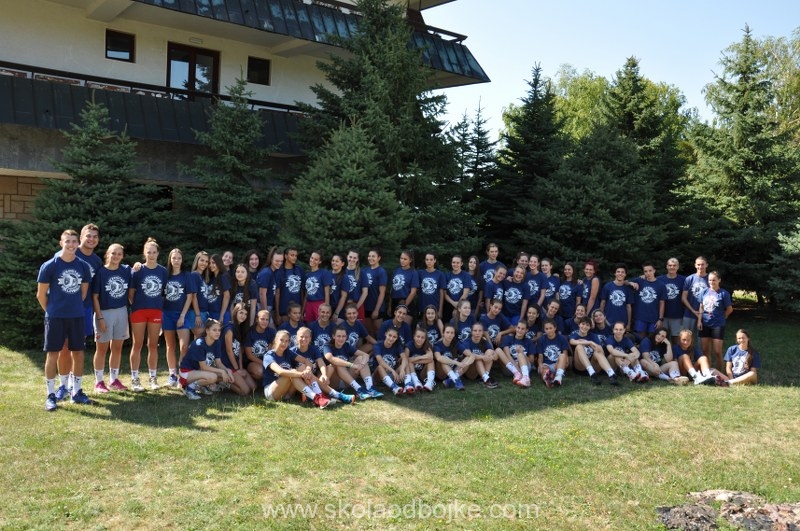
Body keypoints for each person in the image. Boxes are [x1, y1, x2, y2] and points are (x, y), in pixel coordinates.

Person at [38, 229, 94, 410]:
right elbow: (40, 295)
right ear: (61, 243)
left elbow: (83, 293)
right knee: (53, 354)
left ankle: (76, 392)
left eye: (74, 241)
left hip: (76, 316)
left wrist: (72, 307)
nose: (71, 244)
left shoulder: (83, 266)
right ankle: (50, 395)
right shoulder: (50, 265)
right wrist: (52, 311)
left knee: (78, 353)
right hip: (55, 317)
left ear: (78, 243)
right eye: (67, 241)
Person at [55, 223, 102, 401]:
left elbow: (97, 288)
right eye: (88, 236)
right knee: (63, 347)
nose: (91, 239)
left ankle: (76, 389)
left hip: (84, 309)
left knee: (77, 348)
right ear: (81, 238)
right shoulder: (66, 254)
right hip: (64, 309)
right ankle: (63, 386)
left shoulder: (96, 261)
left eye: (95, 237)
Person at [128, 238, 168, 391]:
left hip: (156, 311)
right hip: (139, 311)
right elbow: (131, 293)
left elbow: (164, 292)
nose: (151, 255)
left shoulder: (163, 271)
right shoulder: (137, 270)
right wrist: (138, 305)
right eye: (148, 252)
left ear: (158, 253)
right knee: (137, 344)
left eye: (154, 252)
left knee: (153, 345)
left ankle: (153, 378)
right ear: (144, 253)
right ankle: (135, 379)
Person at [91, 243, 131, 393]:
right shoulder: (101, 272)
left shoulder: (126, 270)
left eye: (119, 254)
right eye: (113, 253)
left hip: (121, 311)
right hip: (104, 313)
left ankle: (114, 379)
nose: (116, 256)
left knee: (117, 348)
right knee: (101, 348)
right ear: (108, 254)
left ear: (122, 256)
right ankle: (99, 382)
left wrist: (138, 265)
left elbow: (139, 269)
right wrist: (100, 318)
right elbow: (95, 297)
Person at [261, 330, 331, 408]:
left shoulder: (288, 352)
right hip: (272, 392)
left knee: (301, 368)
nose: (284, 343)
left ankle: (318, 396)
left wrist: (307, 370)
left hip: (287, 393)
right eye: (281, 340)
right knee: (292, 372)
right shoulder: (269, 356)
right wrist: (301, 374)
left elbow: (306, 361)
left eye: (286, 341)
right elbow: (280, 372)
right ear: (276, 340)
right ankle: (316, 397)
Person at [290, 327, 355, 404]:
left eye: (306, 337)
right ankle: (334, 395)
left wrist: (324, 374)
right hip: (300, 383)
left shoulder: (314, 349)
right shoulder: (292, 351)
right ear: (296, 338)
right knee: (302, 367)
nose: (304, 339)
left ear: (310, 338)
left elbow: (321, 363)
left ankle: (315, 396)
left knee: (330, 367)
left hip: (314, 380)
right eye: (301, 337)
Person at [162, 248, 196, 388]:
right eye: (174, 258)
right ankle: (172, 375)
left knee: (184, 347)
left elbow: (190, 296)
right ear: (170, 260)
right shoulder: (165, 275)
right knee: (170, 346)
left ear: (182, 260)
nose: (176, 261)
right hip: (167, 314)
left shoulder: (186, 275)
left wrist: (182, 315)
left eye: (179, 258)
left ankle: (182, 375)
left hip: (183, 314)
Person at [178, 318, 234, 400]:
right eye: (214, 330)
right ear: (207, 331)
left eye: (219, 330)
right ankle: (189, 388)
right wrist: (222, 371)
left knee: (226, 373)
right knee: (213, 377)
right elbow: (204, 367)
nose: (217, 332)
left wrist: (227, 371)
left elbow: (218, 363)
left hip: (199, 371)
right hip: (187, 372)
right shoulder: (200, 343)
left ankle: (201, 386)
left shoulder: (217, 342)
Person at [323, 326, 382, 399]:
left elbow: (365, 355)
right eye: (338, 336)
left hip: (347, 380)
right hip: (334, 381)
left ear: (346, 337)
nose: (341, 339)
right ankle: (359, 389)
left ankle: (370, 387)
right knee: (338, 363)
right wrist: (352, 365)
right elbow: (330, 358)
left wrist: (361, 365)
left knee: (361, 358)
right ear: (333, 336)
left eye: (343, 336)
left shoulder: (347, 346)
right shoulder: (327, 346)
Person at [698, 271, 733, 371]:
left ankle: (719, 373)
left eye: (714, 280)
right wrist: (699, 321)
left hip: (718, 325)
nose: (711, 282)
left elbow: (729, 309)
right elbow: (701, 307)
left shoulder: (724, 293)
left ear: (719, 280)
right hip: (705, 323)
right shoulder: (704, 292)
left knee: (717, 351)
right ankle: (708, 371)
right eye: (710, 280)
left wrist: (723, 317)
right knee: (705, 350)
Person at [221, 303, 258, 395]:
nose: (243, 316)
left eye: (245, 314)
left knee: (254, 388)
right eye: (241, 313)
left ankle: (233, 378)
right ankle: (223, 382)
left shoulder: (240, 328)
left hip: (236, 365)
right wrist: (237, 369)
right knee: (245, 391)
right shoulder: (229, 329)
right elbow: (229, 351)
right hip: (227, 365)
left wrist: (241, 368)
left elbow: (239, 351)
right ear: (235, 313)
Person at [569, 317, 619, 385]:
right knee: (579, 346)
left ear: (590, 327)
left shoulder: (593, 336)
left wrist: (590, 343)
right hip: (580, 367)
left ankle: (611, 374)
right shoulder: (575, 334)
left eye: (587, 325)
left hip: (594, 365)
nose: (584, 327)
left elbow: (601, 351)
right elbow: (572, 342)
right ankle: (591, 373)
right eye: (583, 324)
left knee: (597, 352)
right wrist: (589, 342)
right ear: (579, 325)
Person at [630, 261, 666, 338]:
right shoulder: (639, 281)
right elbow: (625, 282)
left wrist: (660, 319)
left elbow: (662, 303)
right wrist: (631, 283)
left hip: (654, 318)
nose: (648, 273)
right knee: (640, 339)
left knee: (652, 339)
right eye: (645, 271)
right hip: (640, 317)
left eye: (650, 270)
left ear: (654, 270)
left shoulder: (661, 285)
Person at [434, 323, 473, 390]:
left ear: (454, 335)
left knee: (467, 358)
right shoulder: (437, 345)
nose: (450, 335)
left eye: (452, 333)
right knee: (443, 360)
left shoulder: (456, 343)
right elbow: (439, 358)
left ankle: (451, 380)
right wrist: (456, 362)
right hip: (441, 374)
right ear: (443, 333)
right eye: (447, 332)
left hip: (454, 370)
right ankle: (456, 380)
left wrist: (465, 364)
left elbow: (471, 355)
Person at [460, 322, 499, 389]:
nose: (477, 333)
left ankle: (485, 377)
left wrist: (491, 357)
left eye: (480, 331)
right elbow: (470, 355)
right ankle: (486, 379)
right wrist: (483, 357)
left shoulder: (484, 342)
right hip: (471, 372)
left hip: (481, 370)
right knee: (478, 359)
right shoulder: (466, 342)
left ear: (482, 332)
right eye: (475, 331)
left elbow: (496, 356)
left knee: (489, 351)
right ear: (471, 332)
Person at [374, 327, 410, 395]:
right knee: (380, 367)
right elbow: (380, 361)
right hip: (378, 376)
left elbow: (404, 358)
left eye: (394, 337)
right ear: (385, 334)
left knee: (406, 364)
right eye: (389, 335)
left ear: (397, 338)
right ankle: (394, 388)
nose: (391, 338)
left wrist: (402, 369)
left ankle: (408, 385)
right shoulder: (378, 345)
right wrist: (392, 371)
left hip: (391, 375)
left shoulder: (397, 345)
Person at [658, 257, 686, 343]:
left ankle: (675, 352)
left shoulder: (684, 280)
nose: (672, 267)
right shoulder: (659, 279)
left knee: (676, 340)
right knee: (661, 339)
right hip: (663, 315)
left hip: (677, 315)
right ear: (667, 266)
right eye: (670, 265)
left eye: (674, 265)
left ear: (678, 267)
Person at [274, 246, 304, 326]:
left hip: (298, 311)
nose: (295, 257)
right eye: (292, 255)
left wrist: (303, 310)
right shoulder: (279, 271)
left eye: (296, 255)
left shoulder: (299, 270)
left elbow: (302, 291)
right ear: (286, 256)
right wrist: (277, 313)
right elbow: (277, 293)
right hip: (284, 310)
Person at [535, 319, 570, 388]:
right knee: (544, 370)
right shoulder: (541, 339)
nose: (549, 330)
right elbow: (540, 356)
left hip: (557, 364)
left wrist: (565, 363)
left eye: (550, 328)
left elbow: (565, 354)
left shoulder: (562, 338)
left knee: (563, 355)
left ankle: (558, 377)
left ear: (555, 328)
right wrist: (540, 364)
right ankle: (548, 379)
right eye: (546, 329)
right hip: (546, 364)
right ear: (544, 330)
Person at [361, 248, 387, 337]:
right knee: (369, 332)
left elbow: (382, 293)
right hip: (366, 306)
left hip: (377, 307)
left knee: (378, 331)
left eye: (373, 256)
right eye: (369, 256)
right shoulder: (365, 270)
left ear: (379, 258)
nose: (370, 258)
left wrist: (376, 310)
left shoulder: (381, 271)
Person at [499, 320, 534, 387]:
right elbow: (507, 355)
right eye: (518, 328)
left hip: (524, 368)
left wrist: (522, 353)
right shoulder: (507, 338)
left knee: (520, 354)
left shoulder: (529, 341)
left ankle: (525, 378)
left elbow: (531, 361)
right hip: (511, 368)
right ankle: (517, 374)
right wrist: (517, 369)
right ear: (515, 328)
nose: (520, 330)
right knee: (498, 350)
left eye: (523, 329)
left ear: (526, 330)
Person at [599, 263, 634, 331]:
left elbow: (629, 307)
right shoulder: (607, 286)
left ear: (625, 274)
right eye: (618, 272)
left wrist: (629, 323)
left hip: (622, 322)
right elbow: (603, 303)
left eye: (622, 272)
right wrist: (601, 318)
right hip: (608, 320)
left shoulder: (628, 289)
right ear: (615, 273)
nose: (620, 273)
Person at [244, 309, 276, 382]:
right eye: (262, 319)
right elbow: (249, 356)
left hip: (266, 360)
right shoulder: (250, 332)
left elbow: (272, 350)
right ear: (257, 320)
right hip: (252, 362)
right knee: (260, 372)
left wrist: (270, 363)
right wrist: (265, 363)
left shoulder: (271, 332)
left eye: (267, 320)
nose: (264, 322)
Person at [681, 256, 709, 335]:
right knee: (686, 337)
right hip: (689, 313)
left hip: (705, 315)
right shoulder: (689, 279)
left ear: (706, 265)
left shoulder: (710, 279)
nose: (700, 267)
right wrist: (693, 310)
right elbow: (683, 298)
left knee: (702, 339)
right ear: (695, 265)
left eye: (702, 264)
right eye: (698, 264)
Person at [302, 250, 332, 324]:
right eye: (312, 258)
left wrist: (326, 308)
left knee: (320, 324)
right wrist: (303, 310)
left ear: (320, 262)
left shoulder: (324, 273)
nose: (312, 260)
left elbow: (327, 293)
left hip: (320, 303)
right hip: (309, 303)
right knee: (309, 325)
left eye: (316, 259)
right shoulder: (307, 275)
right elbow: (306, 294)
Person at [390, 250, 418, 323]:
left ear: (410, 260)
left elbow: (413, 292)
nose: (402, 260)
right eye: (401, 258)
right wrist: (389, 305)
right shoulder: (396, 271)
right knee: (394, 326)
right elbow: (392, 289)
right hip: (395, 301)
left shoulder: (413, 272)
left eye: (405, 259)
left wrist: (404, 306)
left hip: (406, 301)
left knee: (404, 326)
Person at [257, 246, 283, 326]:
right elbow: (262, 294)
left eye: (281, 261)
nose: (279, 263)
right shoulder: (266, 273)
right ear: (271, 259)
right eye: (277, 261)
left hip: (269, 307)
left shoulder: (274, 272)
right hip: (262, 306)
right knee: (271, 330)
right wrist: (265, 314)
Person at [187, 251, 211, 338]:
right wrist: (198, 315)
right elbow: (193, 296)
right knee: (201, 338)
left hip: (204, 312)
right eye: (202, 260)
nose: (204, 263)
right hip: (196, 313)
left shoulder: (204, 277)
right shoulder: (194, 275)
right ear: (197, 260)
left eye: (206, 261)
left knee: (198, 340)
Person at [405, 327, 437, 392]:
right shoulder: (409, 345)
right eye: (418, 336)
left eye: (422, 337)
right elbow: (405, 360)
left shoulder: (426, 345)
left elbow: (430, 358)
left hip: (422, 373)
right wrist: (422, 357)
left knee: (431, 361)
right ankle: (416, 382)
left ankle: (430, 382)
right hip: (411, 372)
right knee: (409, 363)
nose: (420, 339)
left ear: (425, 339)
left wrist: (414, 360)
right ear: (414, 337)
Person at [417, 252, 445, 320]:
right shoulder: (420, 273)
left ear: (435, 260)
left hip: (435, 307)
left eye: (431, 259)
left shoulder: (440, 274)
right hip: (422, 307)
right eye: (427, 259)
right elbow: (416, 290)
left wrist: (440, 310)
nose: (429, 261)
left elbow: (442, 293)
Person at [342, 249, 368, 322]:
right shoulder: (342, 271)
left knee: (357, 327)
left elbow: (365, 292)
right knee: (343, 327)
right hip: (343, 305)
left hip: (357, 304)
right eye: (350, 257)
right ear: (347, 257)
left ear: (357, 259)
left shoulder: (362, 272)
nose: (352, 259)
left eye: (354, 258)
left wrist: (356, 307)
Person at [444, 255, 471, 322]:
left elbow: (465, 293)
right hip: (449, 305)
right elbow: (445, 294)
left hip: (462, 306)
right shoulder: (447, 275)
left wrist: (458, 305)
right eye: (453, 262)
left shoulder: (466, 275)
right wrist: (453, 303)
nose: (455, 264)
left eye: (457, 263)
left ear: (461, 263)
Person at [206, 254, 231, 324]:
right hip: (211, 313)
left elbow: (227, 296)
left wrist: (221, 315)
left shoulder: (223, 276)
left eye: (213, 263)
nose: (211, 265)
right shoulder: (211, 278)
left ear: (219, 263)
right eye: (209, 263)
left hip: (221, 313)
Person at [466, 255, 484, 320]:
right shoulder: (463, 275)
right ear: (468, 263)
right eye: (470, 262)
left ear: (477, 265)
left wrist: (477, 310)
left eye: (474, 263)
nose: (472, 264)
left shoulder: (479, 278)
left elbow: (480, 296)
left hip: (473, 307)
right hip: (463, 306)